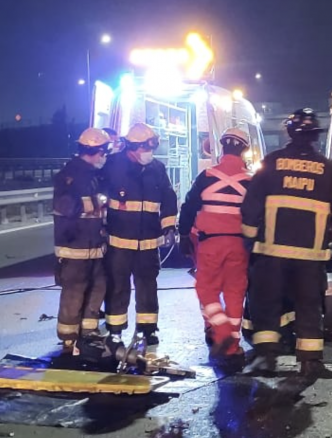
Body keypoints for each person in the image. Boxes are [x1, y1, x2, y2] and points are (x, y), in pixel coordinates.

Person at [241, 108, 332, 378]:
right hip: (311, 255)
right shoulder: (326, 169)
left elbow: (251, 205)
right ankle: (310, 361)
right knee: (308, 306)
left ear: (289, 132)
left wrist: (248, 237)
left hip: (271, 252)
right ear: (316, 136)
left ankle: (266, 358)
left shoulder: (271, 163)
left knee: (266, 303)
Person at [102, 122, 178, 358]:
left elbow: (168, 198)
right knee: (118, 288)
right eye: (145, 147)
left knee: (148, 286)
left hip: (148, 243)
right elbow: (98, 196)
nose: (149, 153)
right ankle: (115, 333)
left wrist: (168, 227)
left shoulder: (157, 168)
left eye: (151, 147)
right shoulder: (113, 166)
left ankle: (147, 329)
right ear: (132, 147)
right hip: (119, 242)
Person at [178, 128, 252, 365]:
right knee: (235, 293)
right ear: (244, 150)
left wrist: (182, 235)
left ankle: (220, 331)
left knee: (206, 289)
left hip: (209, 243)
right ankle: (232, 347)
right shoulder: (250, 181)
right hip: (239, 245)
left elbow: (188, 207)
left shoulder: (207, 176)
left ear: (221, 147)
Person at [52, 128, 110, 359]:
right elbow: (67, 207)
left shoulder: (93, 174)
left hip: (94, 246)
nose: (105, 156)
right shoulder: (69, 176)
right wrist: (99, 201)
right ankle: (68, 340)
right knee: (74, 294)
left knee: (97, 289)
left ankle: (88, 334)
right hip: (74, 247)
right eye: (104, 151)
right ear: (95, 151)